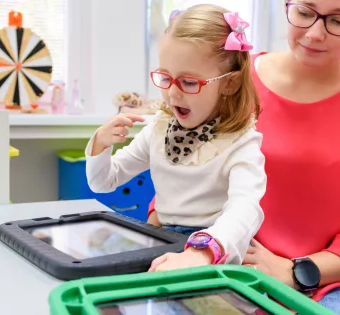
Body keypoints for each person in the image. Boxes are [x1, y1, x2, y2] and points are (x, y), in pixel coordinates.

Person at [147, 0, 340, 314]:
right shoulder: (233, 81)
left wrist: (294, 271)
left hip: (333, 282)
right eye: (304, 12)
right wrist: (163, 222)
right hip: (219, 260)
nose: (315, 34)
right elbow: (184, 159)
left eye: (339, 21)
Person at [85, 5, 267, 272]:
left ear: (230, 83)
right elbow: (104, 182)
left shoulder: (241, 143)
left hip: (217, 249)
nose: (172, 94)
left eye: (189, 83)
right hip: (164, 241)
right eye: (165, 77)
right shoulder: (159, 130)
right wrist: (101, 143)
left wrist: (203, 252)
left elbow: (245, 211)